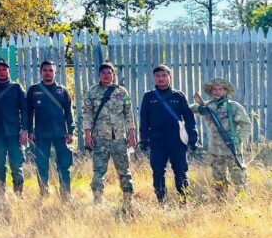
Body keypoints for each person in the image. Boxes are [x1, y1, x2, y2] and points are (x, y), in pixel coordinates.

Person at [139, 64, 198, 204]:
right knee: (158, 171)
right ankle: (161, 202)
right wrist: (144, 139)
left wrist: (193, 138)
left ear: (170, 77)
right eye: (157, 76)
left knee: (181, 171)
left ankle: (183, 201)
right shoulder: (149, 97)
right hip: (157, 141)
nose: (161, 78)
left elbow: (189, 118)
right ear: (153, 78)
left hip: (177, 141)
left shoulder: (178, 96)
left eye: (164, 75)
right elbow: (144, 120)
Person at [83, 62, 136, 206]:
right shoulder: (91, 92)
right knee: (98, 171)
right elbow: (87, 115)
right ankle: (98, 201)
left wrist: (131, 135)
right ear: (99, 75)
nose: (106, 76)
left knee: (124, 171)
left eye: (109, 73)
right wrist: (87, 135)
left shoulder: (122, 92)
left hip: (119, 138)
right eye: (103, 73)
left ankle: (128, 202)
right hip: (100, 138)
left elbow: (128, 114)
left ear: (113, 75)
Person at [192, 77, 252, 197]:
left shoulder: (233, 106)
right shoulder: (208, 106)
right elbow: (191, 108)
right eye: (214, 89)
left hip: (232, 149)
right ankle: (221, 202)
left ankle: (243, 202)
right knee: (219, 181)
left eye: (220, 89)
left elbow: (246, 125)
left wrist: (238, 139)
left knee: (239, 180)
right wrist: (199, 108)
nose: (217, 92)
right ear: (211, 91)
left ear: (225, 91)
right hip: (215, 150)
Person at [26, 61, 74, 200]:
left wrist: (70, 132)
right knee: (41, 165)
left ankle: (65, 195)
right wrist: (30, 131)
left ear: (55, 72)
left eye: (51, 70)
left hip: (60, 134)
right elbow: (28, 112)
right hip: (41, 134)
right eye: (45, 70)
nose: (48, 73)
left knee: (64, 165)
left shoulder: (62, 90)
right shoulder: (34, 90)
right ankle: (44, 194)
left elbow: (69, 113)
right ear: (40, 72)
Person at [0, 58, 29, 195]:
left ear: (9, 71)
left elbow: (25, 110)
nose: (2, 72)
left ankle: (18, 194)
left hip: (14, 134)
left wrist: (25, 130)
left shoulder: (17, 88)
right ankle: (1, 194)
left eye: (4, 69)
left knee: (16, 165)